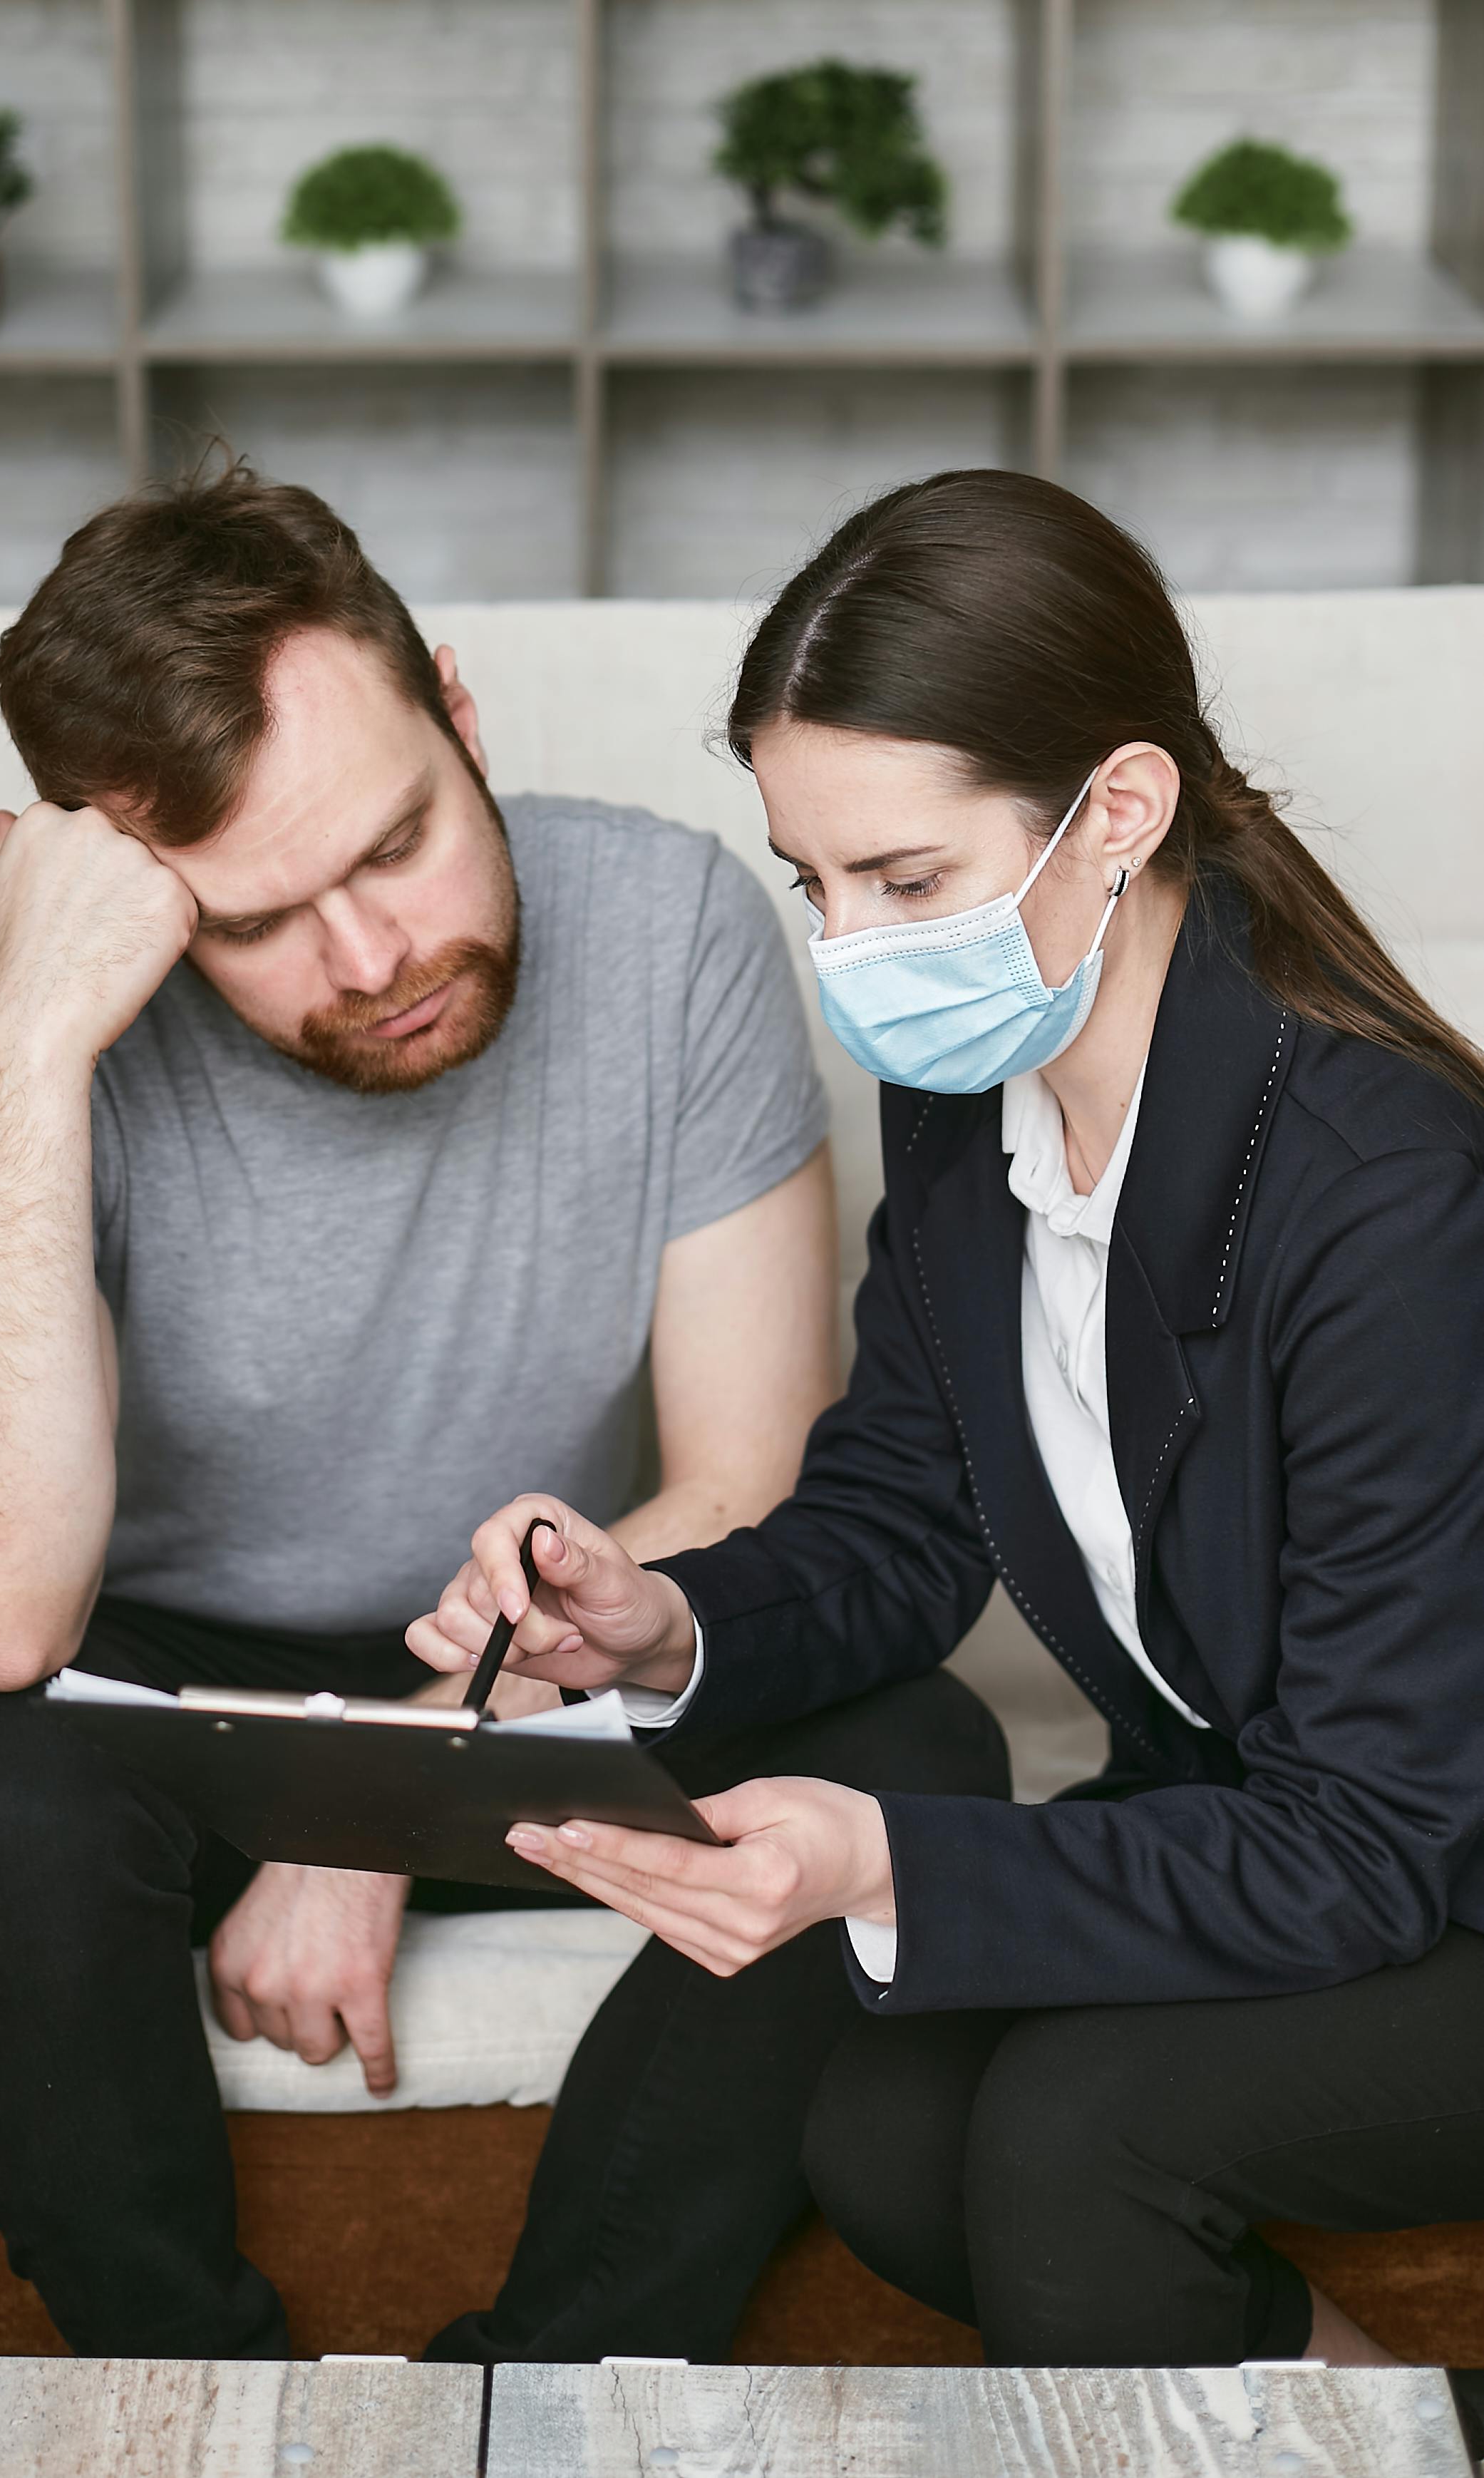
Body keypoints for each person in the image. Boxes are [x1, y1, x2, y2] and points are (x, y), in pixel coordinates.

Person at [0, 461, 1011, 2361]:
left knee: (919, 1739)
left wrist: (378, 1812)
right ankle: (192, 2399)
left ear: (458, 712)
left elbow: (750, 1486)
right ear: (126, 884)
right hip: (168, 1685)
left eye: (396, 840)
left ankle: (547, 2388)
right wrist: (30, 1033)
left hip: (545, 1637)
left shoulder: (668, 923)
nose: (373, 957)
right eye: (255, 918)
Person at [409, 468, 1484, 2369]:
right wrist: (664, 1620)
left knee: (1079, 2137)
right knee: (883, 2126)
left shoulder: (1383, 1192)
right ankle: (1378, 2414)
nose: (848, 952)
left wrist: (881, 1858)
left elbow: (1371, 1837)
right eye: (808, 880)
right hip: (1279, 1827)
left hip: (1428, 1870)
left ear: (1118, 812)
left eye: (903, 882)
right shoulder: (970, 1090)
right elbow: (905, 1516)